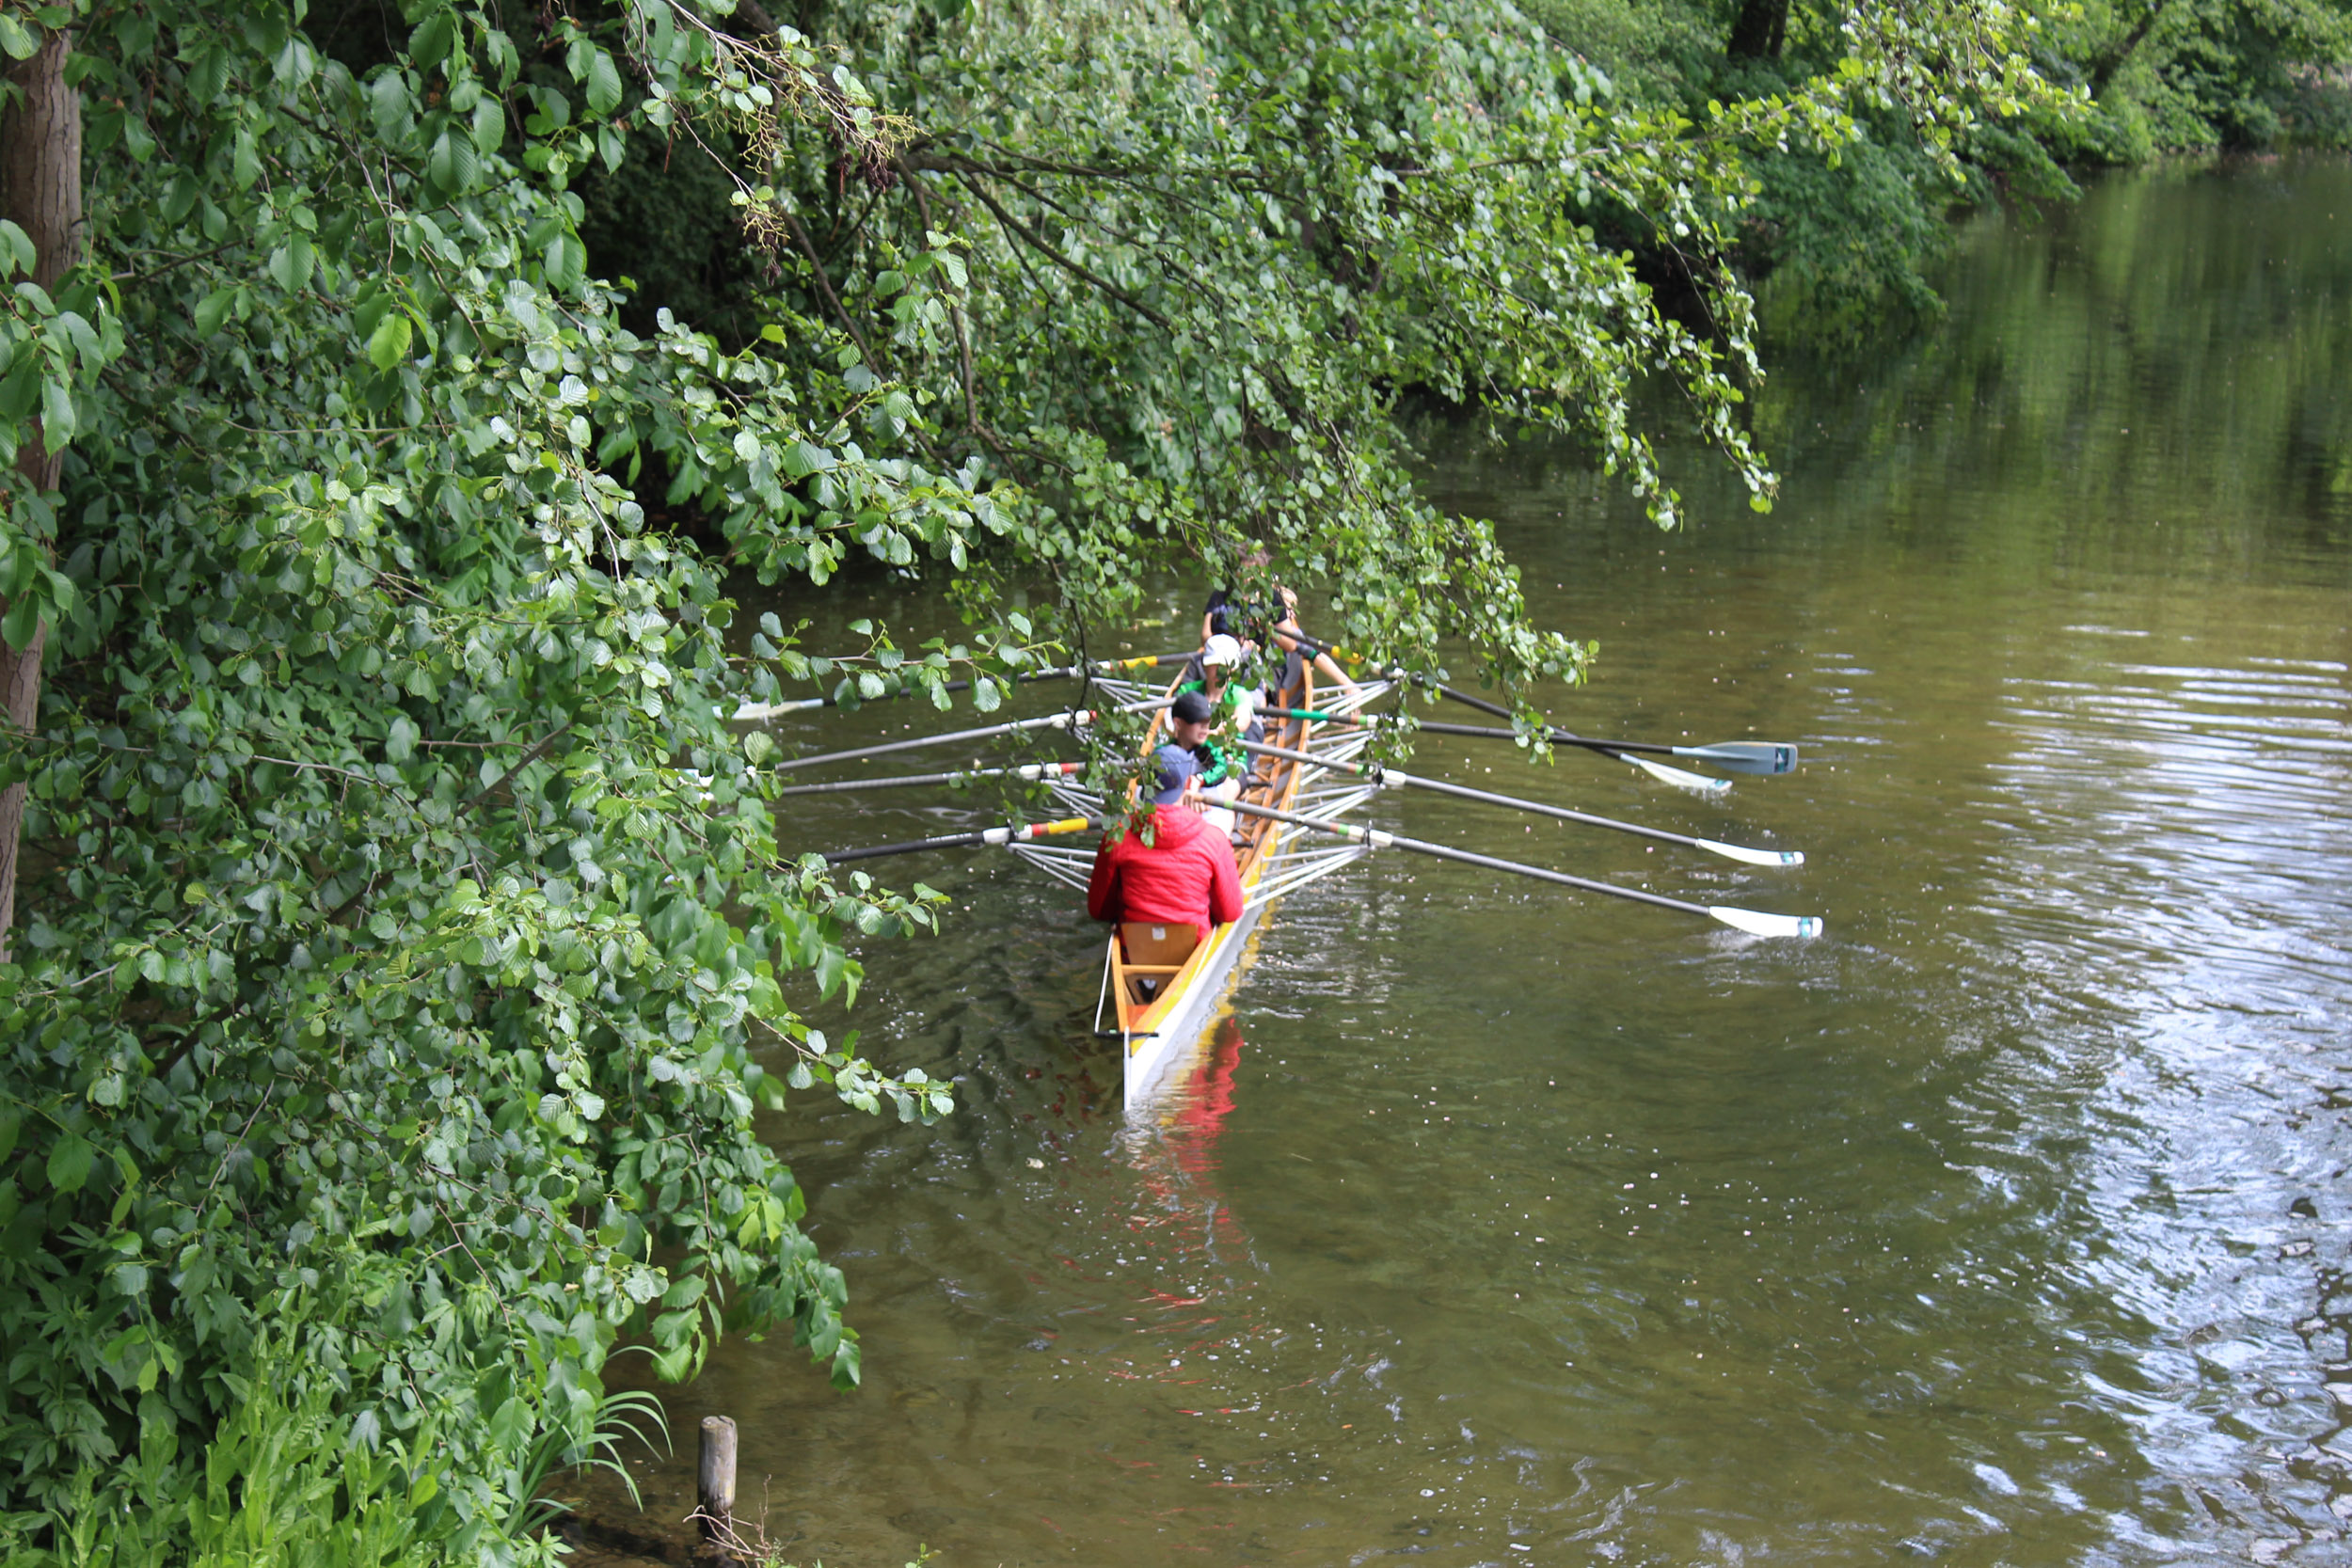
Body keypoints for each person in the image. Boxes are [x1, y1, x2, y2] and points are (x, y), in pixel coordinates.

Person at [1086, 739, 1243, 942]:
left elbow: (1099, 910)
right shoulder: (1214, 840)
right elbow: (1230, 912)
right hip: (1193, 942)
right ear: (1187, 784)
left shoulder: (1117, 836)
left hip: (1135, 946)